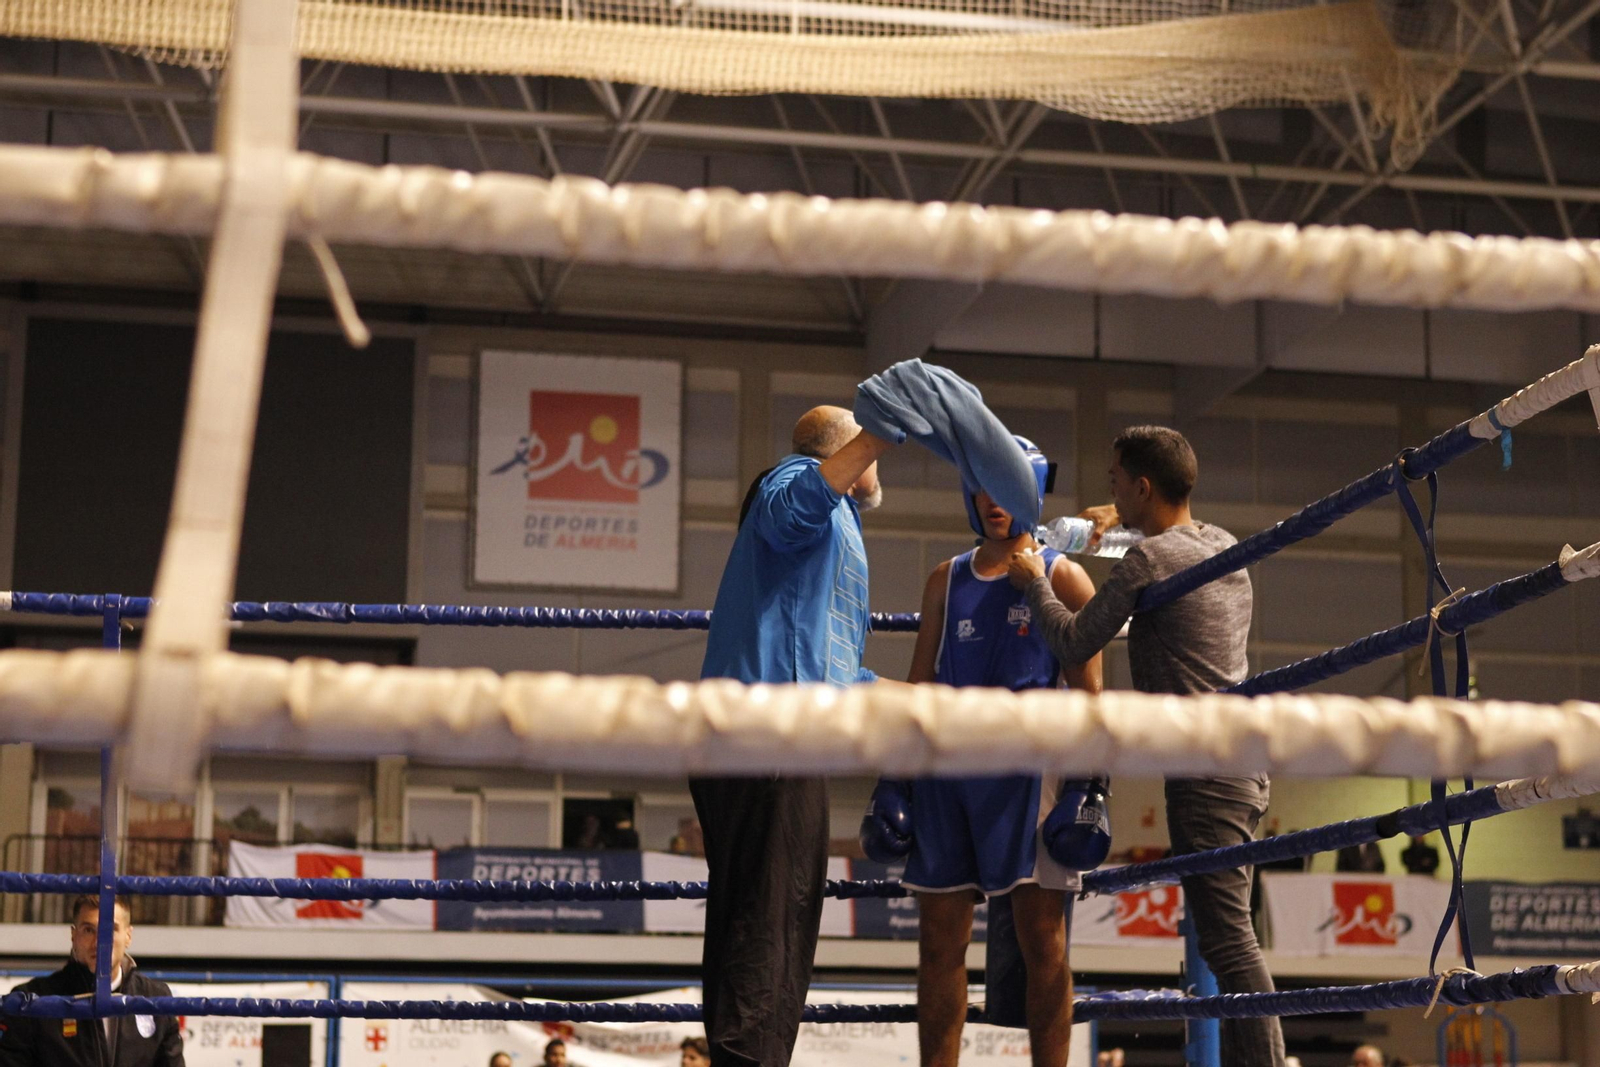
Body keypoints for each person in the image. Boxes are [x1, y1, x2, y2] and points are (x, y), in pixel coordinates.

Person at [1007, 425, 1285, 1067]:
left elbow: (1076, 641)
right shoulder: (1222, 545)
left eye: (1114, 482)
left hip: (1204, 770)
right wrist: (1115, 526)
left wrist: (1034, 583)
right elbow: (1165, 552)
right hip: (1243, 761)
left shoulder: (1148, 561)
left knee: (1231, 945)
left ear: (1141, 486)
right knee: (1230, 942)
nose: (1107, 491)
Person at [694, 404, 895, 1067]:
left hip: (784, 732)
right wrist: (875, 434)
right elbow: (788, 511)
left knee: (772, 916)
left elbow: (839, 670)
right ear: (848, 451)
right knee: (768, 922)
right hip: (768, 729)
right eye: (867, 449)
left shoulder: (840, 530)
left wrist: (945, 707)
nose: (878, 460)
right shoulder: (795, 479)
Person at [898, 439, 1101, 1067]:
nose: (992, 503)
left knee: (1042, 941)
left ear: (1032, 493)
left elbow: (1091, 694)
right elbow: (920, 685)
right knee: (939, 943)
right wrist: (895, 777)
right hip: (948, 771)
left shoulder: (1063, 573)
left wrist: (1087, 786)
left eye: (1006, 489)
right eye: (983, 488)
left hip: (1027, 775)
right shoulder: (946, 577)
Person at [0, 895, 184, 1066]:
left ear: (128, 936)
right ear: (74, 935)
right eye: (89, 930)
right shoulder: (30, 1001)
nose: (99, 942)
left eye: (110, 929)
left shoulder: (157, 998)